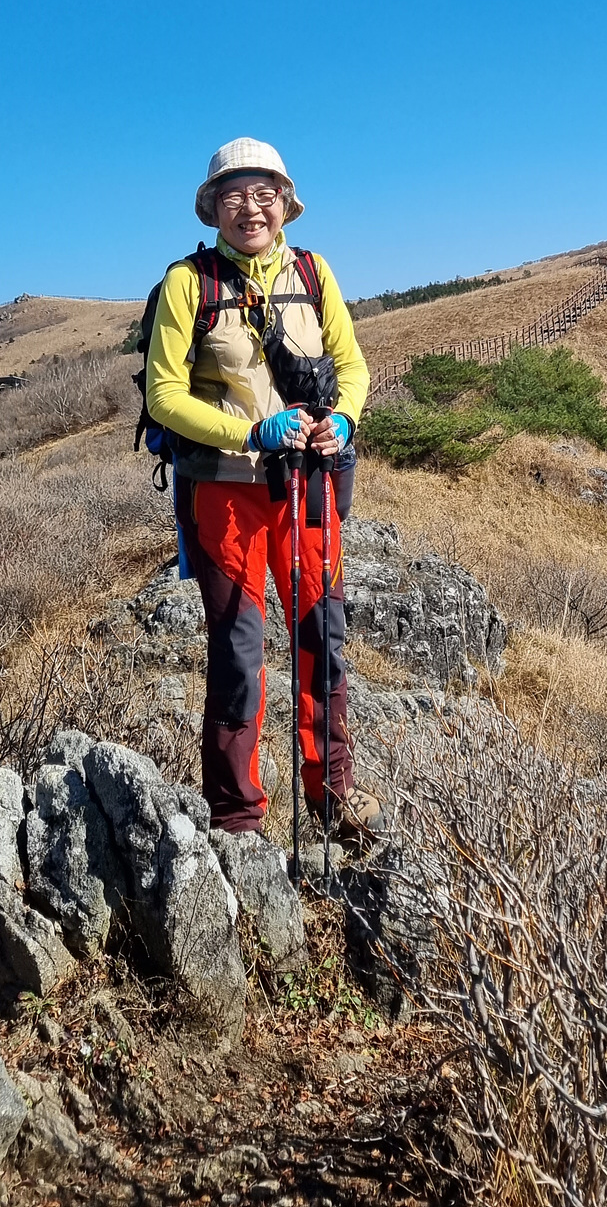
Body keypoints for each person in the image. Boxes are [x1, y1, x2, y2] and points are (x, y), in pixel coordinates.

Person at [145, 137, 381, 842]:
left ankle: (333, 794)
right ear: (213, 207)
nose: (251, 208)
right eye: (234, 196)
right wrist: (251, 432)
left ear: (285, 204)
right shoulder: (189, 283)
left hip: (309, 485)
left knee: (322, 636)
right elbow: (163, 396)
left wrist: (343, 417)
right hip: (225, 493)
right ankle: (236, 817)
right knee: (239, 650)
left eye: (264, 194)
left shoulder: (313, 271)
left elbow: (352, 366)